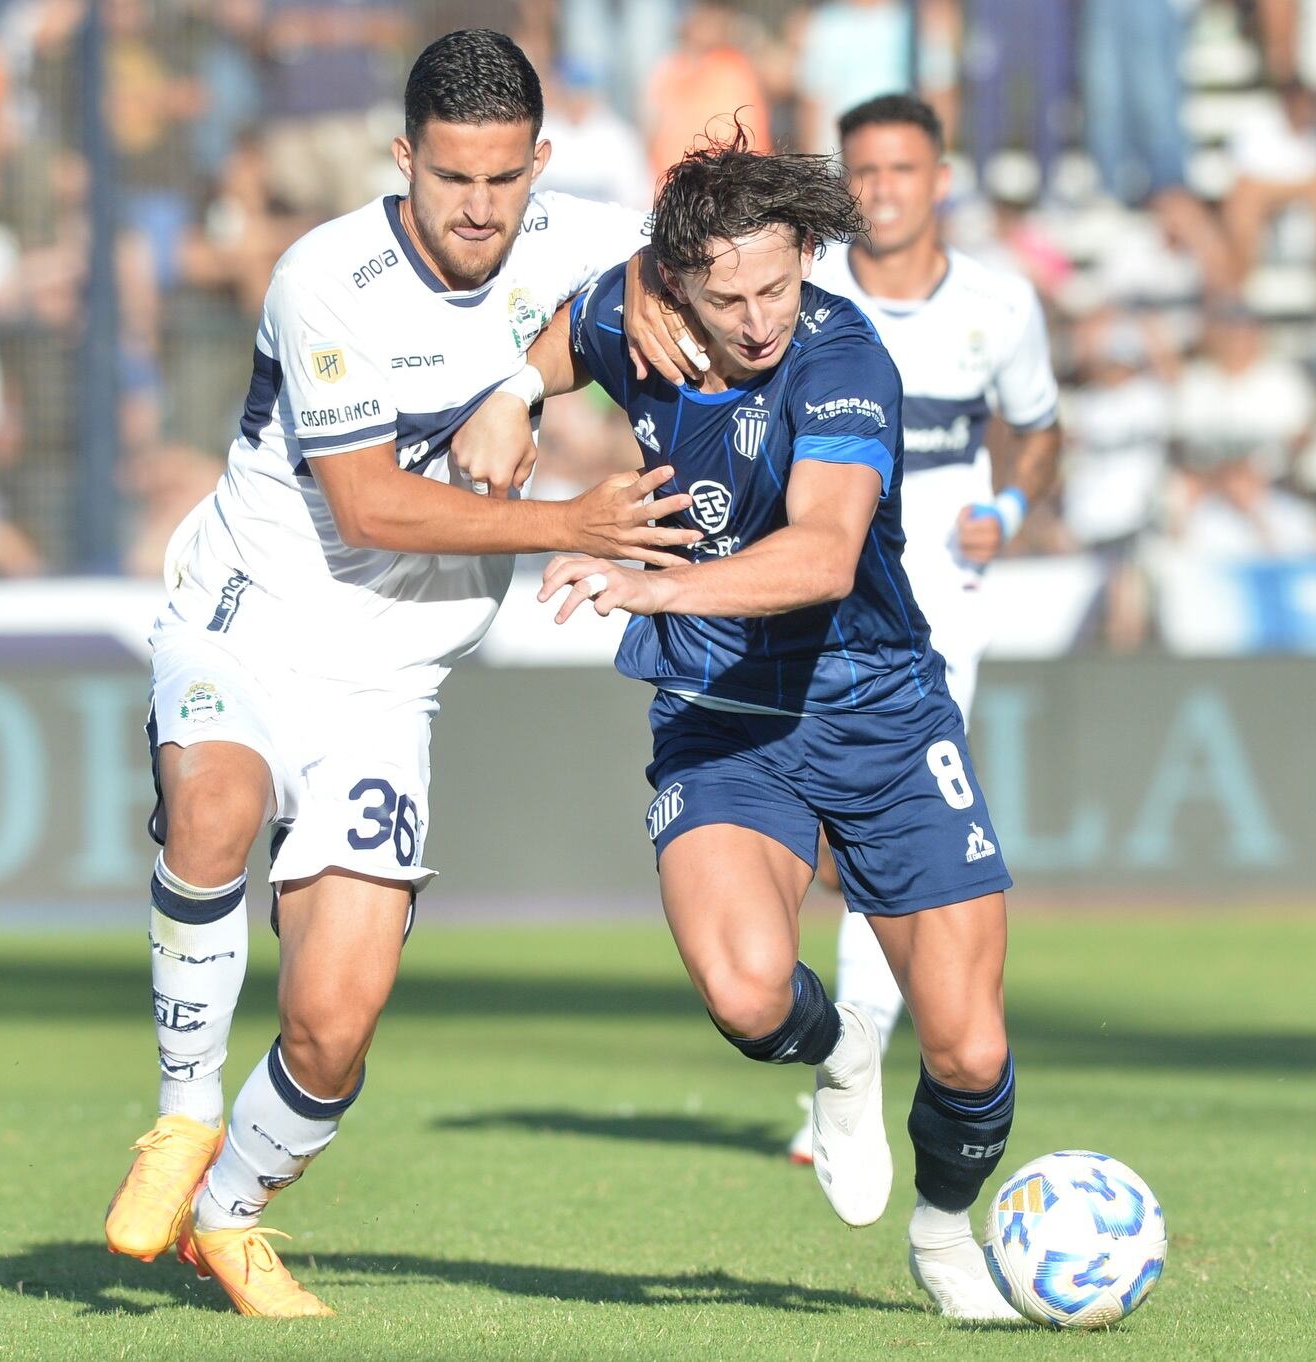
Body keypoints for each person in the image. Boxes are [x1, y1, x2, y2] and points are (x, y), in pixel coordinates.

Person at [100, 29, 704, 1317]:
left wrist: (559, 362)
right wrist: (572, 517)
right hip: (248, 620)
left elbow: (695, 259)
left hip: (388, 684)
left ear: (538, 163)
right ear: (402, 161)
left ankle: (230, 1217)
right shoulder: (325, 278)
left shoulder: (568, 237)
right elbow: (371, 508)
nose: (480, 212)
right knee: (212, 803)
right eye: (450, 182)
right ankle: (181, 1117)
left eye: (503, 182)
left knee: (335, 1023)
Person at [526, 134, 1023, 1321]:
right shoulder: (629, 313)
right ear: (675, 280)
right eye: (727, 295)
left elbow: (822, 552)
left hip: (879, 710)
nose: (757, 319)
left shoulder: (841, 356)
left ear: (806, 252)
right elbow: (538, 342)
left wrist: (655, 584)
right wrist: (508, 394)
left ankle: (946, 1232)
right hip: (721, 718)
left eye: (776, 285)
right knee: (749, 995)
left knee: (968, 1054)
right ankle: (840, 1050)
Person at [782, 92, 1058, 1166]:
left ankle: (849, 1061)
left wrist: (1013, 509)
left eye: (902, 170)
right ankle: (841, 1054)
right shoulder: (804, 302)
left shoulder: (998, 306)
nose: (882, 191)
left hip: (939, 580)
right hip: (826, 561)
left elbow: (1037, 429)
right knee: (820, 831)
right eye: (864, 172)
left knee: (889, 818)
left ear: (939, 180)